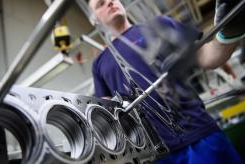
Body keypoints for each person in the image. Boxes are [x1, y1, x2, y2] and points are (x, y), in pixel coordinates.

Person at [85, 0, 244, 163]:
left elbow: (209, 57)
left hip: (199, 134)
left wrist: (229, 33)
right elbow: (106, 115)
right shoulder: (99, 64)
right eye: (101, 3)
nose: (110, 2)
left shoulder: (160, 26)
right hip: (156, 155)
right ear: (94, 20)